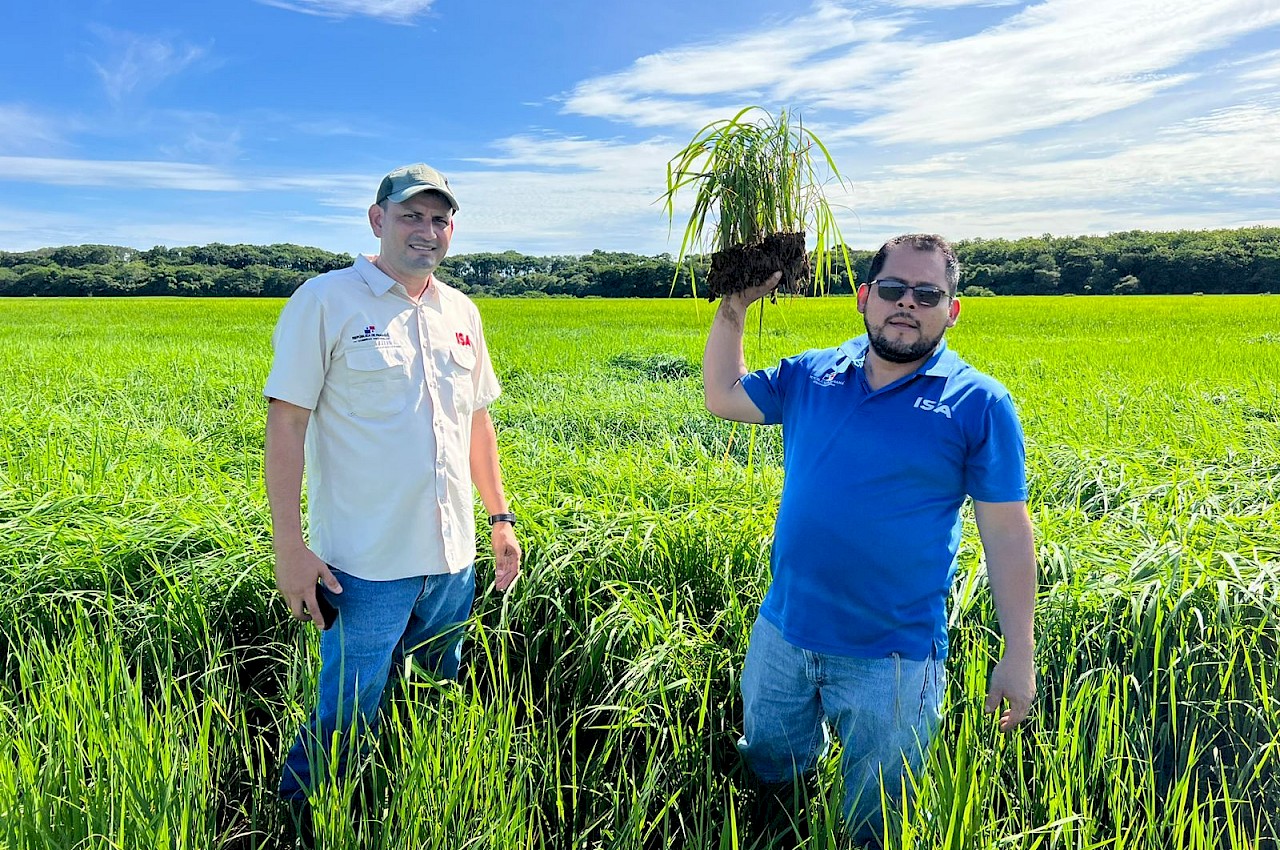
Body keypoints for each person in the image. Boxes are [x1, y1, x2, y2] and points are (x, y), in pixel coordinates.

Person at [702, 233, 1036, 844]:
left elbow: (1008, 534)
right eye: (892, 289)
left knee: (876, 822)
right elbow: (723, 396)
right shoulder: (813, 374)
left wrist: (1020, 653)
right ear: (864, 298)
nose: (907, 303)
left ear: (951, 310)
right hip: (783, 633)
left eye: (928, 293)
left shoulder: (979, 404)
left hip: (894, 658)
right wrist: (734, 306)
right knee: (773, 780)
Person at [263, 163, 521, 829]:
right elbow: (286, 423)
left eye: (439, 219)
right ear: (377, 220)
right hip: (364, 565)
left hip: (452, 560)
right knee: (345, 710)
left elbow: (476, 422)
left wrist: (498, 519)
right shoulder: (325, 301)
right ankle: (298, 825)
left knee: (434, 694)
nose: (426, 231)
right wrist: (289, 547)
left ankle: (404, 801)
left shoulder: (461, 311)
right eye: (411, 215)